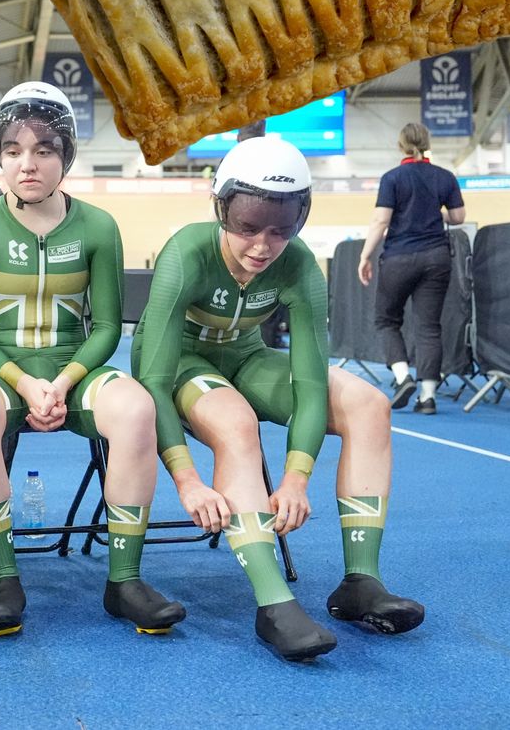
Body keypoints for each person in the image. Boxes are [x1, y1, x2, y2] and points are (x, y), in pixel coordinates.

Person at [133, 136, 424, 661]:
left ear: (299, 222)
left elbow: (311, 382)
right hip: (177, 364)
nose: (262, 247)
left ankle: (361, 580)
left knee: (368, 403)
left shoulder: (299, 266)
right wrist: (186, 478)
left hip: (246, 357)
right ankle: (273, 604)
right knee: (236, 421)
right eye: (246, 227)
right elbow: (154, 380)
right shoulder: (187, 251)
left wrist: (295, 477)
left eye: (279, 231)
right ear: (221, 209)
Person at [0, 82, 185, 637]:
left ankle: (124, 581)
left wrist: (64, 379)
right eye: (12, 151)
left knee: (134, 409)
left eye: (44, 150)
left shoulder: (99, 226)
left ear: (66, 155)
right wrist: (25, 384)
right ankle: (3, 576)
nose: (27, 164)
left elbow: (105, 328)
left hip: (75, 369)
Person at [357, 123, 465, 414]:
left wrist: (365, 256)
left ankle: (403, 377)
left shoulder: (393, 178)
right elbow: (457, 217)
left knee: (386, 320)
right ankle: (427, 397)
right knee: (429, 326)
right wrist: (434, 210)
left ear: (400, 146)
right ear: (427, 144)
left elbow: (381, 221)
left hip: (400, 258)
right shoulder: (445, 177)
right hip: (436, 257)